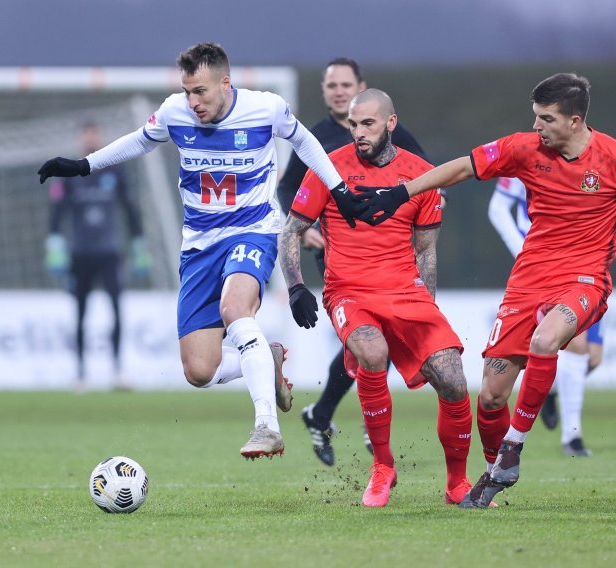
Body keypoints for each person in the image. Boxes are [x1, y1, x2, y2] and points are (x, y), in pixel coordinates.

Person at [353, 73, 616, 507]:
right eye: (535, 117)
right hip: (528, 278)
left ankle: (513, 448)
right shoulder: (524, 149)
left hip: (584, 278)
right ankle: (495, 470)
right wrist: (401, 193)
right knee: (490, 396)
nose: (537, 127)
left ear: (576, 120)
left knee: (547, 339)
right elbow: (463, 167)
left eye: (546, 119)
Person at [38, 42, 360, 459]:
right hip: (199, 245)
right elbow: (138, 141)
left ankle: (267, 425)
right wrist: (84, 166)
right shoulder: (174, 112)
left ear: (226, 83)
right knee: (199, 370)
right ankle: (268, 357)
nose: (193, 102)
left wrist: (338, 187)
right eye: (188, 91)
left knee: (235, 308)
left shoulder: (266, 108)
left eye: (201, 92)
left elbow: (305, 142)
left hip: (253, 230)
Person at [279, 88, 476, 508]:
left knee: (455, 380)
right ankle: (383, 468)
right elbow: (291, 229)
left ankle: (457, 484)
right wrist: (296, 285)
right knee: (372, 352)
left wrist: (429, 307)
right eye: (352, 125)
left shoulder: (421, 175)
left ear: (390, 123)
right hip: (349, 290)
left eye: (367, 123)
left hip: (406, 292)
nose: (358, 133)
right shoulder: (328, 169)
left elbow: (426, 250)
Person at [277, 57, 433, 466]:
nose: (339, 91)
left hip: (388, 258)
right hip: (337, 253)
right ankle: (366, 417)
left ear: (360, 87)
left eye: (346, 84)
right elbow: (288, 190)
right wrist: (303, 227)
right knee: (366, 339)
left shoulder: (391, 135)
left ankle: (325, 413)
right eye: (331, 86)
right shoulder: (316, 139)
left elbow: (428, 181)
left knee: (370, 341)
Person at [489, 176, 616, 456]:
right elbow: (497, 208)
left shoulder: (604, 166)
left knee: (593, 358)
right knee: (577, 346)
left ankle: (549, 390)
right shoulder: (525, 158)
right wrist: (522, 251)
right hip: (545, 270)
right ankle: (572, 437)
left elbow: (615, 220)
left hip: (588, 270)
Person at [45, 121, 151, 391]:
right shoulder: (71, 172)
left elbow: (130, 208)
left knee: (115, 309)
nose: (90, 139)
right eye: (86, 134)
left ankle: (117, 371)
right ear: (81, 138)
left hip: (109, 252)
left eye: (94, 134)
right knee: (80, 312)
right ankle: (80, 373)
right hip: (80, 253)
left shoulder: (114, 168)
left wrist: (138, 243)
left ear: (99, 137)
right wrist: (54, 243)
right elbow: (57, 212)